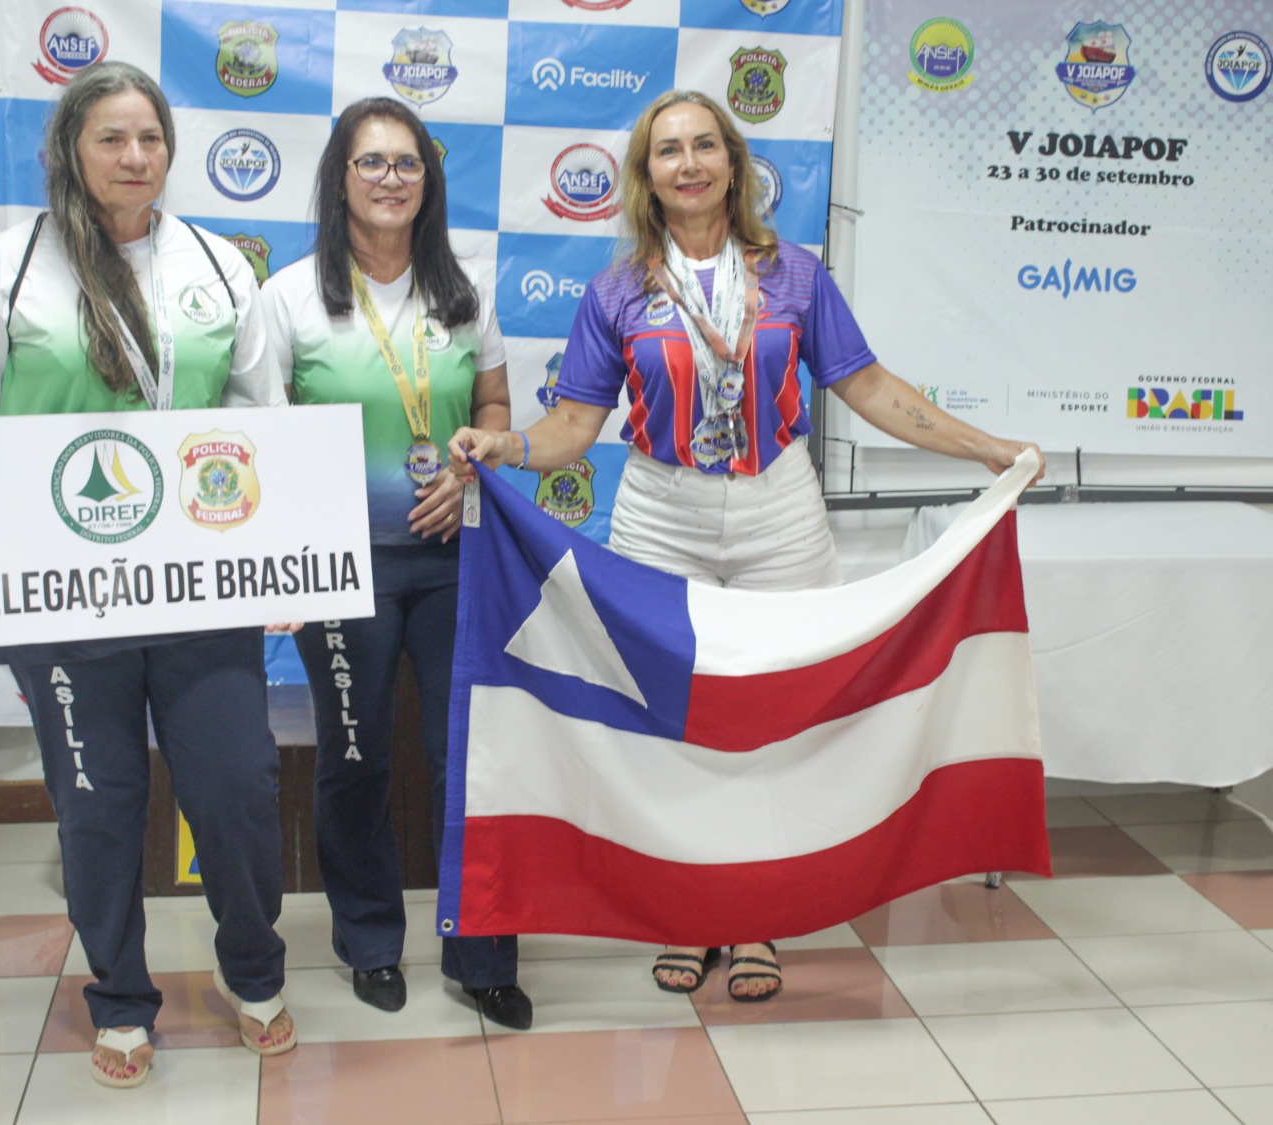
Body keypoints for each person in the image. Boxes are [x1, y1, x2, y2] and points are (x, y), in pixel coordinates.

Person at [450, 89, 1044, 1003]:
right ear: (646, 176)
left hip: (778, 511)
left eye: (703, 146)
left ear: (732, 161)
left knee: (781, 715)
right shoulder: (617, 292)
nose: (687, 164)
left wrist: (990, 449)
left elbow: (874, 389)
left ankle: (758, 917)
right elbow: (573, 424)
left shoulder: (797, 276)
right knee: (672, 723)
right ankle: (690, 911)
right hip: (660, 510)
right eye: (666, 151)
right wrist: (508, 448)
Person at [0, 61, 295, 1086]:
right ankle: (121, 998)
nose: (135, 158)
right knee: (98, 801)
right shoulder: (7, 267)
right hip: (63, 592)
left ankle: (254, 973)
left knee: (234, 789)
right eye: (111, 139)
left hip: (197, 591)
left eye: (151, 139)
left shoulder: (218, 266)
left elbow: (267, 422)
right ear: (71, 153)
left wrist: (289, 564)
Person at [261, 97, 532, 1029]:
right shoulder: (291, 296)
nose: (389, 179)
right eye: (370, 162)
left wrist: (470, 475)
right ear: (341, 178)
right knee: (354, 756)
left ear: (429, 181)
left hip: (457, 558)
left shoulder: (466, 290)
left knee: (470, 757)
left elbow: (495, 411)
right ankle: (371, 940)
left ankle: (483, 954)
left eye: (406, 163)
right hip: (343, 568)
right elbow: (256, 439)